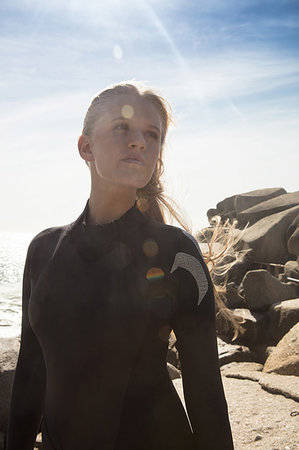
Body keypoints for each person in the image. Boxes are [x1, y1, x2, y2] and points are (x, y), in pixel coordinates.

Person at [6, 82, 234, 450]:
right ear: (86, 147)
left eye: (152, 134)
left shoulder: (177, 254)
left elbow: (206, 394)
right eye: (122, 127)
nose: (139, 141)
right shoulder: (43, 250)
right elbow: (31, 376)